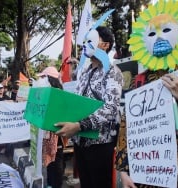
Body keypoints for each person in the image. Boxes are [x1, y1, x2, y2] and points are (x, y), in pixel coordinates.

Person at [115, 2, 178, 187]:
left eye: (166, 30)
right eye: (152, 34)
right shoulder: (138, 82)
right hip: (146, 177)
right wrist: (123, 169)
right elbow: (126, 128)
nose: (159, 38)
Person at [55, 26, 123, 188]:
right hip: (80, 142)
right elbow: (76, 102)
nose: (84, 45)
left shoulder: (112, 71)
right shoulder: (84, 73)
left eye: (90, 41)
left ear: (105, 45)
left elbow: (110, 108)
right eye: (84, 41)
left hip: (100, 144)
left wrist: (79, 125)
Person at [34, 66, 66, 188]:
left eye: (43, 77)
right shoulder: (44, 93)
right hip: (46, 134)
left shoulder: (58, 94)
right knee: (49, 160)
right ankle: (50, 183)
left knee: (56, 160)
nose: (41, 79)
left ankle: (56, 184)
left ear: (50, 79)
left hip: (56, 134)